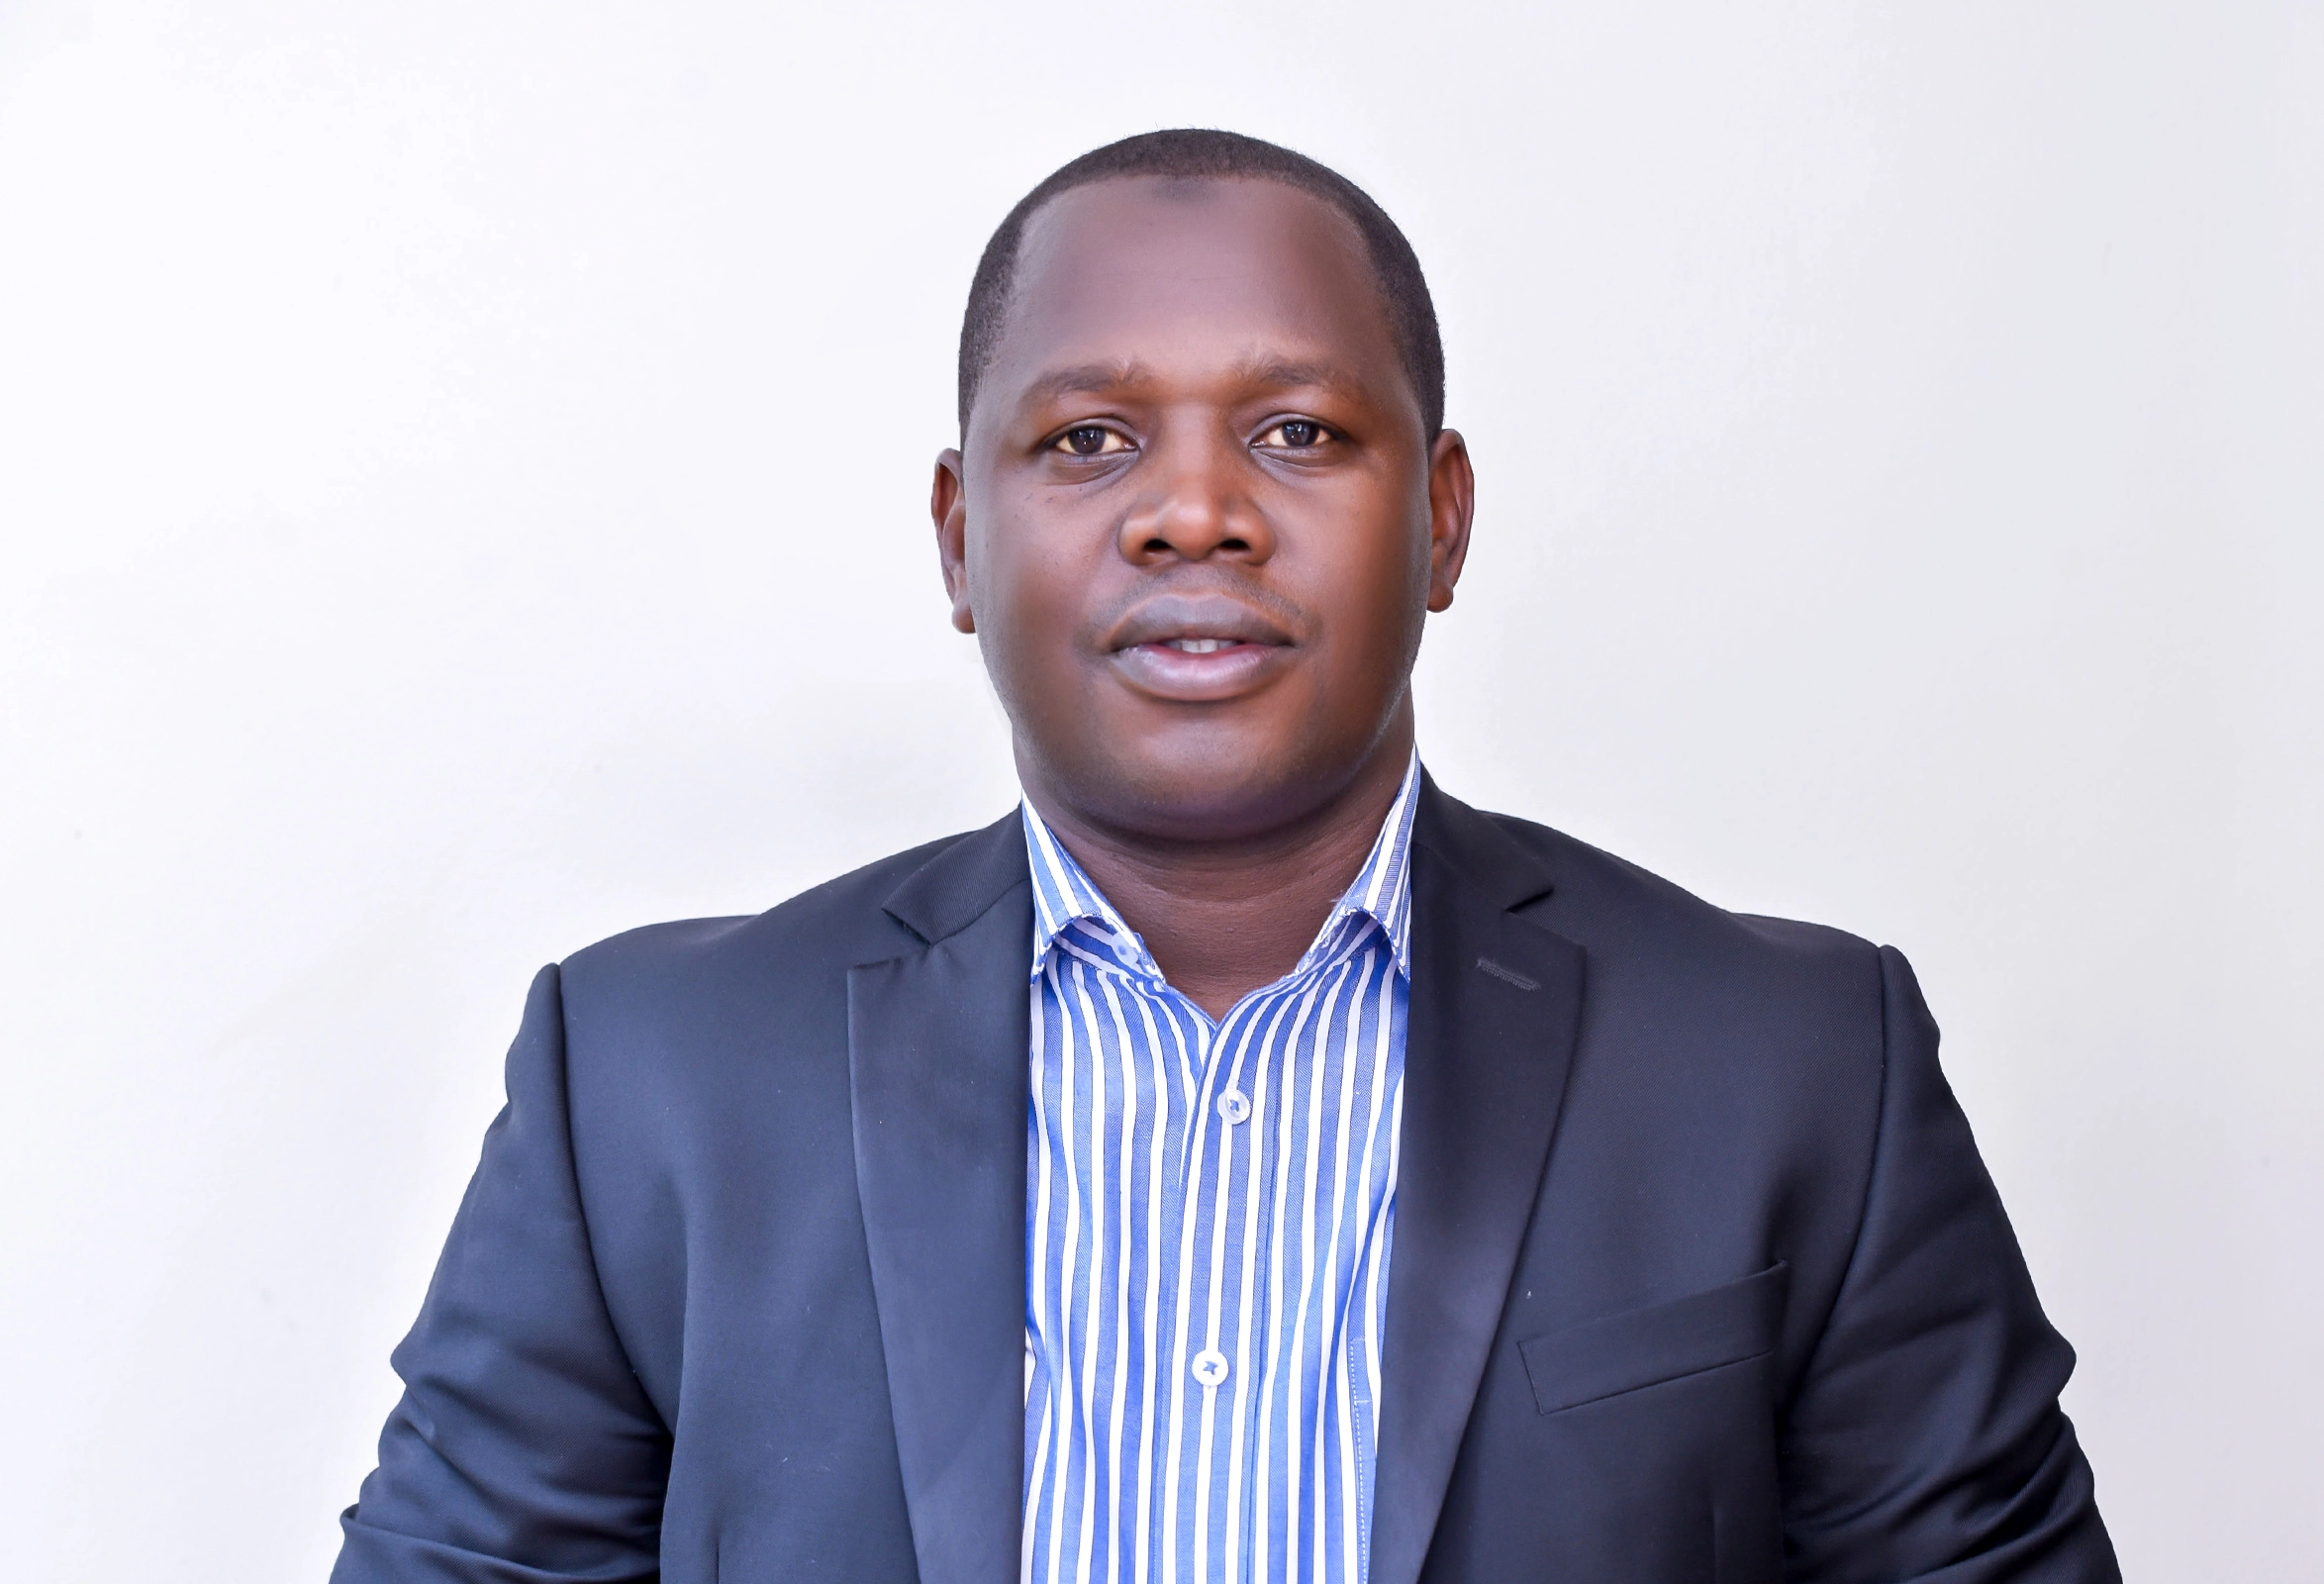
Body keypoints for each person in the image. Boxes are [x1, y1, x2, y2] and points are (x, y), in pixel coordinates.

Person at [330, 130, 2120, 1584]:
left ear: (1443, 519)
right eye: (1089, 440)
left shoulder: (1791, 1066)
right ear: (960, 539)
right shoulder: (649, 1080)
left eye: (1299, 434)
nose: (1195, 511)